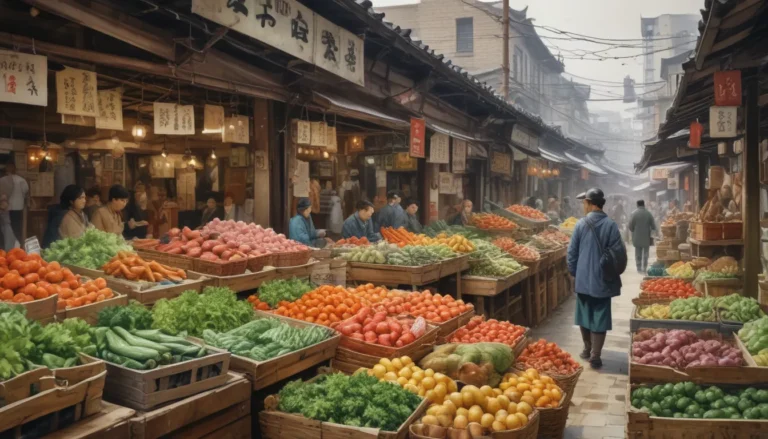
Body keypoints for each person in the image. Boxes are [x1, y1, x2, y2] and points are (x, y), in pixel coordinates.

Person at [567, 188, 626, 369]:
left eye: (584, 202)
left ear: (590, 203)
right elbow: (619, 253)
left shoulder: (581, 224)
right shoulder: (611, 225)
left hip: (584, 278)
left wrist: (574, 273)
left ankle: (587, 349)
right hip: (603, 279)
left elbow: (572, 253)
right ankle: (595, 355)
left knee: (584, 313)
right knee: (600, 314)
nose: (583, 206)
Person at [0, 163, 29, 244]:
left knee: (5, 229)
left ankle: (7, 245)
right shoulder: (21, 180)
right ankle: (17, 244)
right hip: (18, 208)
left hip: (6, 209)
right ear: (15, 169)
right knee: (17, 228)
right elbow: (26, 191)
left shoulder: (2, 180)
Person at [628, 200, 656, 273]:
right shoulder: (648, 213)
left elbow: (630, 226)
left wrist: (634, 230)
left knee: (638, 253)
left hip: (637, 237)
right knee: (646, 253)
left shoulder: (633, 214)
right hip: (646, 237)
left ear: (637, 205)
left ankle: (639, 268)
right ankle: (644, 268)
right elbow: (653, 226)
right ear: (644, 205)